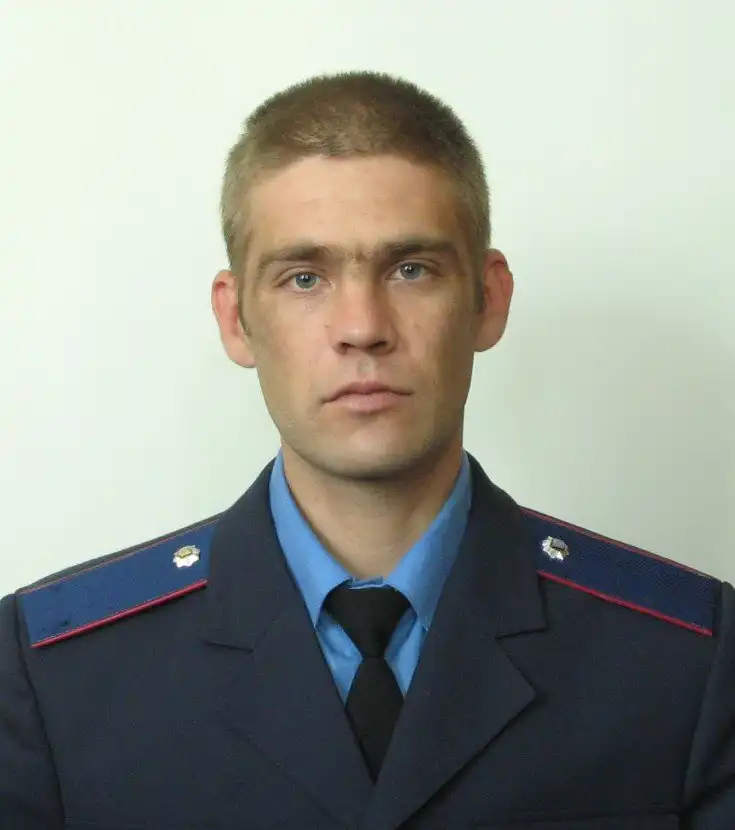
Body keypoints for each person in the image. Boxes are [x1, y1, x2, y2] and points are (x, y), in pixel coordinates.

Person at [1, 70, 733, 830]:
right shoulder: (55, 676)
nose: (362, 327)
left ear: (488, 299)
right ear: (235, 318)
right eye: (304, 277)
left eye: (411, 270)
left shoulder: (682, 664)